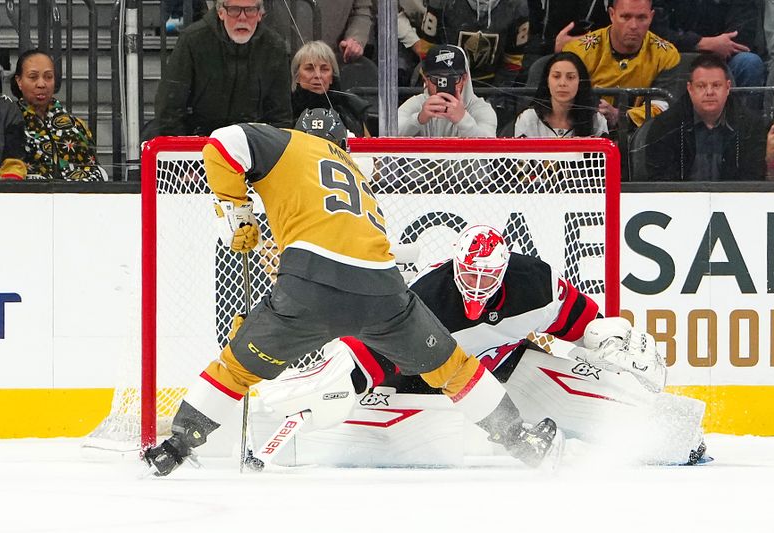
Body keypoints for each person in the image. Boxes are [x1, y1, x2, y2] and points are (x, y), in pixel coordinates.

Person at [142, 108, 563, 476]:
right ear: (343, 143)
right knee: (453, 368)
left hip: (309, 285)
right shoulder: (358, 177)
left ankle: (176, 447)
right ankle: (518, 439)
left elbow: (224, 141)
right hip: (382, 291)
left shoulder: (289, 143)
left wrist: (236, 208)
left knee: (235, 368)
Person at [338, 225, 707, 465]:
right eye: (469, 274)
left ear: (504, 270)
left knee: (598, 404)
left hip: (505, 364)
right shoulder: (427, 296)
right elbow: (373, 352)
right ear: (454, 264)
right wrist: (341, 382)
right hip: (432, 382)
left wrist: (611, 340)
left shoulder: (535, 283)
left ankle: (678, 435)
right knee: (429, 442)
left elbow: (584, 325)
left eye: (486, 276)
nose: (477, 285)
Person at [151, 0, 291, 138]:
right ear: (221, 12)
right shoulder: (193, 41)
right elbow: (170, 106)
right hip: (198, 140)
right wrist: (182, 147)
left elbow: (280, 113)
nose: (242, 17)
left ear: (260, 14)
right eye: (234, 10)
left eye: (250, 10)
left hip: (252, 143)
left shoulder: (274, 47)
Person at [644, 53, 770, 181]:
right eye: (701, 86)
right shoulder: (665, 125)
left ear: (727, 87)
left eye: (716, 85)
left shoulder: (750, 125)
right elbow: (660, 183)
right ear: (690, 89)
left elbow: (752, 181)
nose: (709, 92)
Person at [562, 0, 681, 130]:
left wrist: (622, 116)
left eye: (641, 18)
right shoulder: (578, 52)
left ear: (651, 17)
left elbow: (662, 105)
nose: (633, 26)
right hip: (587, 133)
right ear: (612, 15)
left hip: (642, 135)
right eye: (625, 17)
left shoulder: (666, 55)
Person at [10, 50, 106, 181]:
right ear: (19, 81)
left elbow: (95, 171)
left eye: (48, 77)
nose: (41, 84)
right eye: (33, 77)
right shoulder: (10, 122)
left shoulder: (76, 126)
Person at [650, 0, 765, 91]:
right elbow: (657, 31)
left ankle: (743, 114)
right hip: (677, 55)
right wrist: (700, 43)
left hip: (723, 58)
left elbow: (742, 35)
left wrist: (718, 45)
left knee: (749, 63)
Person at [398, 44, 497, 137]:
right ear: (425, 79)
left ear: (464, 78)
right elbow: (391, 134)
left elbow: (490, 144)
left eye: (453, 79)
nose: (444, 85)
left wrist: (463, 120)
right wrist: (418, 120)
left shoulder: (481, 109)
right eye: (437, 79)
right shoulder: (416, 104)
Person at [513, 51, 608, 137]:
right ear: (547, 81)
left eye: (570, 77)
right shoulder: (529, 119)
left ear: (580, 82)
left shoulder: (596, 121)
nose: (562, 83)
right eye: (556, 76)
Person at [290, 40, 372, 138]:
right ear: (297, 76)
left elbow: (367, 143)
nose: (318, 75)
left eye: (324, 69)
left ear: (332, 77)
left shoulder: (351, 109)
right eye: (309, 69)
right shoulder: (284, 110)